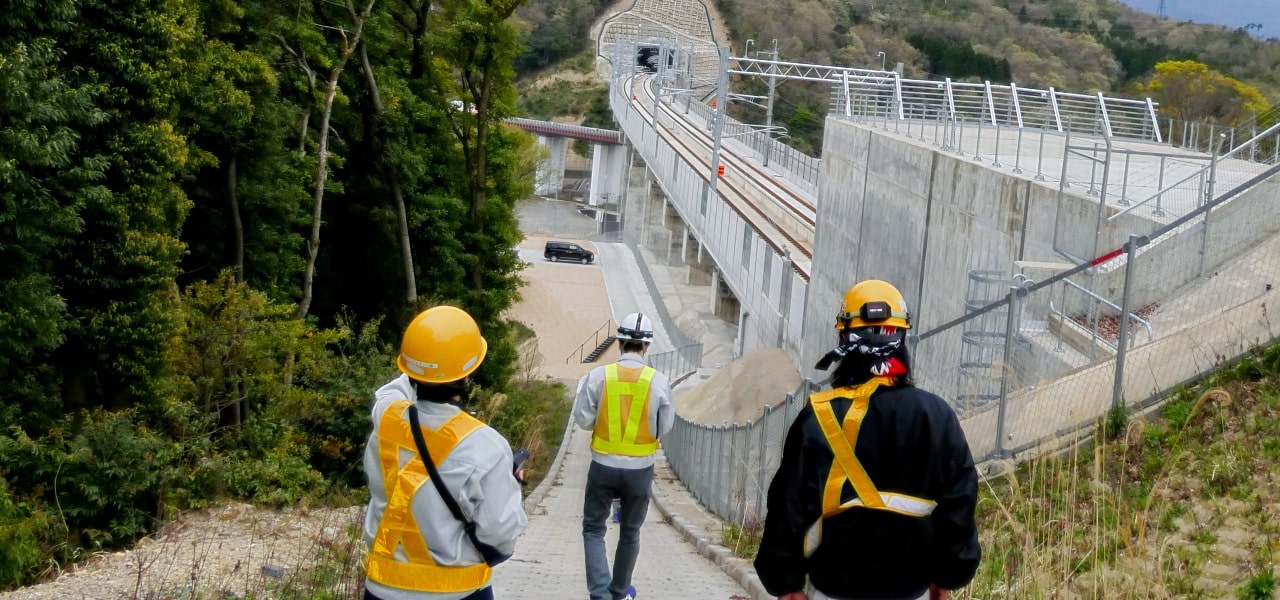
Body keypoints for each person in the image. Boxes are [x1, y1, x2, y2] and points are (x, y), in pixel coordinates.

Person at [753, 280, 980, 600]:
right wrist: (947, 575)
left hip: (833, 590)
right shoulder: (937, 417)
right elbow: (958, 504)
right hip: (911, 591)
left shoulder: (820, 416)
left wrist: (786, 582)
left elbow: (790, 506)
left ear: (845, 338)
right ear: (902, 337)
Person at [362, 306, 529, 600]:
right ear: (467, 377)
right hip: (457, 592)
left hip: (381, 590)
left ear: (408, 370)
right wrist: (512, 485)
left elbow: (389, 391)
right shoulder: (486, 445)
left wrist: (422, 364)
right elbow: (500, 536)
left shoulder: (387, 419)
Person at [573, 312, 675, 600]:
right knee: (630, 532)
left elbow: (583, 419)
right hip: (640, 470)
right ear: (647, 346)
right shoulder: (658, 382)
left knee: (594, 528)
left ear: (619, 341)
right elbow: (665, 426)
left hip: (603, 465)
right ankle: (619, 593)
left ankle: (600, 593)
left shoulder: (597, 376)